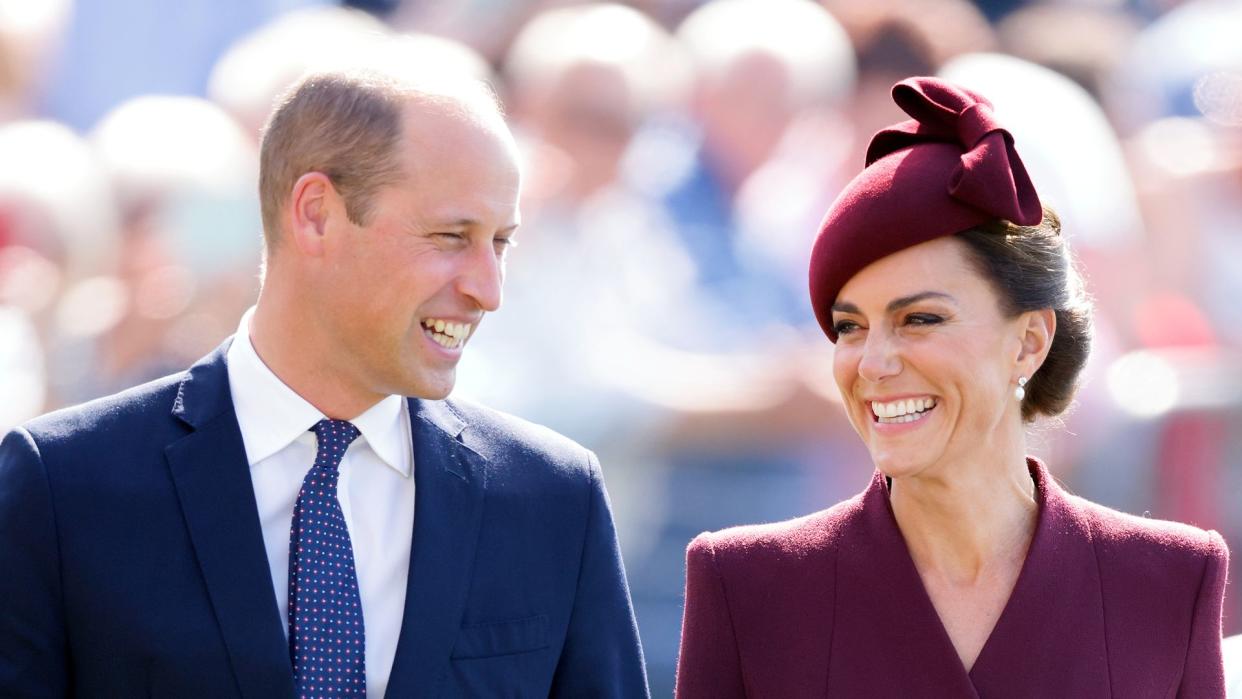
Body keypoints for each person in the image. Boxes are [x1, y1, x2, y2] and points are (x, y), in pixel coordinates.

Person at [0, 66, 648, 697]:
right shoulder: (64, 486)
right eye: (453, 236)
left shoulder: (552, 497)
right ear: (315, 215)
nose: (488, 289)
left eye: (500, 243)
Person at [675, 77, 1229, 697]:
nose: (873, 363)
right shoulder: (749, 586)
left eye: (920, 319)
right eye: (849, 327)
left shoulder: (1168, 580)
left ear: (1029, 342)